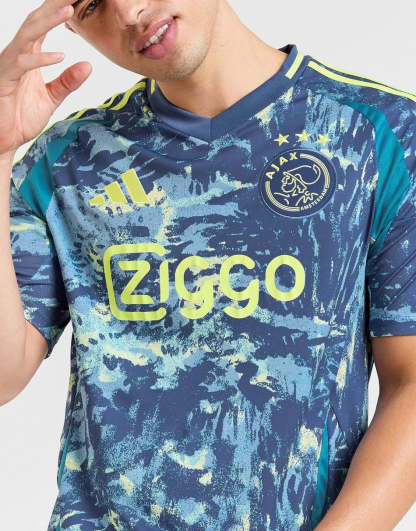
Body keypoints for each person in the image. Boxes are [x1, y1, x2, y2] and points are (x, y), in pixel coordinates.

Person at [1, 0, 416, 529]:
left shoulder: (382, 133)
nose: (128, 11)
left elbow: (411, 384)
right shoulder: (65, 160)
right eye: (91, 5)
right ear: (75, 28)